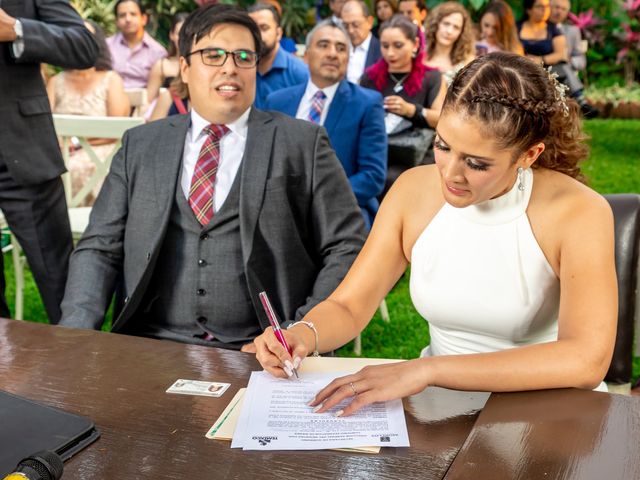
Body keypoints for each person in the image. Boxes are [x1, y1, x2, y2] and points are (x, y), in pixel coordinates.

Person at [252, 52, 617, 415]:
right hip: (443, 409)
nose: (450, 174)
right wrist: (301, 334)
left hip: (551, 411)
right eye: (443, 146)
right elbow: (349, 305)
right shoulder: (413, 191)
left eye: (476, 163)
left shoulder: (578, 212)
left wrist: (428, 370)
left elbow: (585, 359)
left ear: (529, 154)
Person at [59, 4, 367, 351]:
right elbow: (99, 247)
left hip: (262, 351)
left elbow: (347, 244)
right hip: (152, 344)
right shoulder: (141, 145)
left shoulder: (302, 144)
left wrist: (302, 330)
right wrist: (75, 337)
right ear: (185, 68)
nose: (230, 68)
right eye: (214, 55)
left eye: (243, 57)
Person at [0, 0, 98, 323]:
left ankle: (82, 368)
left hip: (19, 152)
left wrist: (15, 29)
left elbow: (84, 45)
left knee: (59, 285)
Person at [265, 20, 387, 229]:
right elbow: (265, 162)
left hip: (340, 212)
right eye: (323, 45)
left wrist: (316, 199)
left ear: (348, 59)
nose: (332, 53)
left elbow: (372, 176)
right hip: (282, 211)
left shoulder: (367, 103)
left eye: (341, 48)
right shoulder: (277, 101)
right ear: (306, 55)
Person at [46, 21, 130, 206]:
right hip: (59, 150)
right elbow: (43, 124)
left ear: (97, 43)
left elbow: (118, 130)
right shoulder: (56, 81)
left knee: (73, 167)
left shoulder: (111, 80)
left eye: (86, 36)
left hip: (101, 151)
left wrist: (76, 142)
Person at [361, 15, 445, 192]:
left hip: (414, 155)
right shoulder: (370, 78)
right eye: (385, 46)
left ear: (415, 44)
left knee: (394, 179)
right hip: (376, 152)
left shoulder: (432, 78)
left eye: (398, 46)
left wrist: (411, 110)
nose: (390, 53)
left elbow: (442, 119)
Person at [517, 0, 595, 116]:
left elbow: (560, 55)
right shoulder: (517, 27)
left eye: (546, 7)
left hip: (548, 68)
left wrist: (540, 60)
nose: (544, 10)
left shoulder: (553, 29)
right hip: (521, 66)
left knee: (562, 67)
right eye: (539, 7)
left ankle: (578, 101)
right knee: (562, 68)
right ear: (529, 10)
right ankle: (580, 100)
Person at [248, 3, 308, 109]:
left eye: (264, 28)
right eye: (252, 29)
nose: (257, 35)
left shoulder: (300, 73)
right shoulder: (241, 70)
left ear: (279, 33)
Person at [106, 0, 167, 89]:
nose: (128, 19)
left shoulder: (157, 52)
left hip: (146, 101)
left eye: (133, 14)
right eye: (122, 15)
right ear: (117, 21)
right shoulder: (106, 46)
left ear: (144, 19)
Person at [424, 2, 476, 86]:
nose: (449, 31)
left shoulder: (467, 61)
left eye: (456, 27)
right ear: (436, 24)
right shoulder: (420, 55)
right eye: (446, 24)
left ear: (461, 33)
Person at [146, 13, 189, 103]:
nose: (183, 38)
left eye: (187, 34)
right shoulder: (161, 65)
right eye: (179, 34)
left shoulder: (201, 64)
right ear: (172, 35)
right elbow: (148, 100)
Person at [341, 0, 381, 84]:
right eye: (345, 26)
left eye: (355, 25)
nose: (350, 30)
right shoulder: (338, 50)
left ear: (370, 22)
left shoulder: (381, 50)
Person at [550, 0, 586, 72]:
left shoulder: (573, 31)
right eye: (556, 7)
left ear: (567, 13)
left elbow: (581, 60)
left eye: (563, 9)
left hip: (563, 73)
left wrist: (568, 59)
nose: (559, 12)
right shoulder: (535, 29)